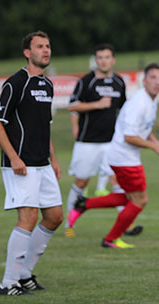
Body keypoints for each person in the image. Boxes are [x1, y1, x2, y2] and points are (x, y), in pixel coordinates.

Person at [0, 31, 63, 296]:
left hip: (42, 164)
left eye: (48, 46)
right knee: (28, 217)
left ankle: (24, 274)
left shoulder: (48, 85)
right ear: (27, 52)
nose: (46, 50)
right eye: (40, 46)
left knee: (54, 217)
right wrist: (14, 157)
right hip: (21, 164)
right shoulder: (15, 83)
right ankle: (8, 283)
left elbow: (46, 126)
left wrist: (53, 159)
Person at [67, 63, 159, 248]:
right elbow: (130, 137)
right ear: (144, 81)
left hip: (124, 157)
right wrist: (154, 146)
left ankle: (84, 204)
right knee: (140, 200)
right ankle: (111, 239)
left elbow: (144, 128)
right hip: (124, 159)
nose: (157, 82)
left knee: (129, 197)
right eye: (153, 78)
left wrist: (156, 141)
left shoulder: (151, 100)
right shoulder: (139, 103)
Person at [64, 44, 133, 238]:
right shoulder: (87, 81)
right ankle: (70, 224)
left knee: (117, 180)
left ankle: (125, 225)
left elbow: (123, 110)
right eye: (100, 57)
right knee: (81, 181)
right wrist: (97, 104)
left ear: (113, 60)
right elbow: (72, 106)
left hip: (112, 143)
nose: (104, 60)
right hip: (88, 142)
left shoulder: (119, 82)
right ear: (96, 60)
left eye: (107, 57)